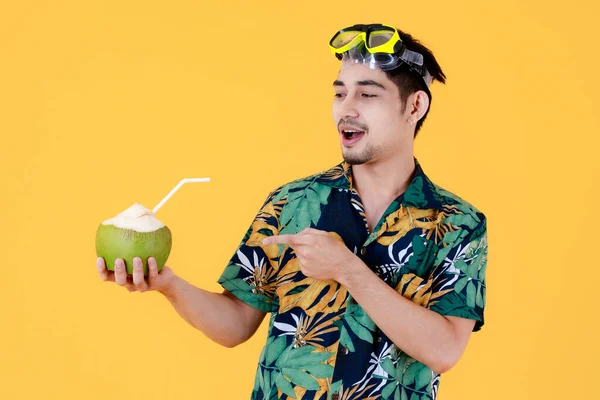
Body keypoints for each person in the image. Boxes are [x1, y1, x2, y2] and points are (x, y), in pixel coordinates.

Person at [96, 23, 488, 400]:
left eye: (367, 95)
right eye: (339, 94)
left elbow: (444, 349)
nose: (346, 110)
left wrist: (347, 270)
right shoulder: (292, 202)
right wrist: (168, 285)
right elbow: (235, 325)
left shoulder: (457, 223)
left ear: (415, 105)